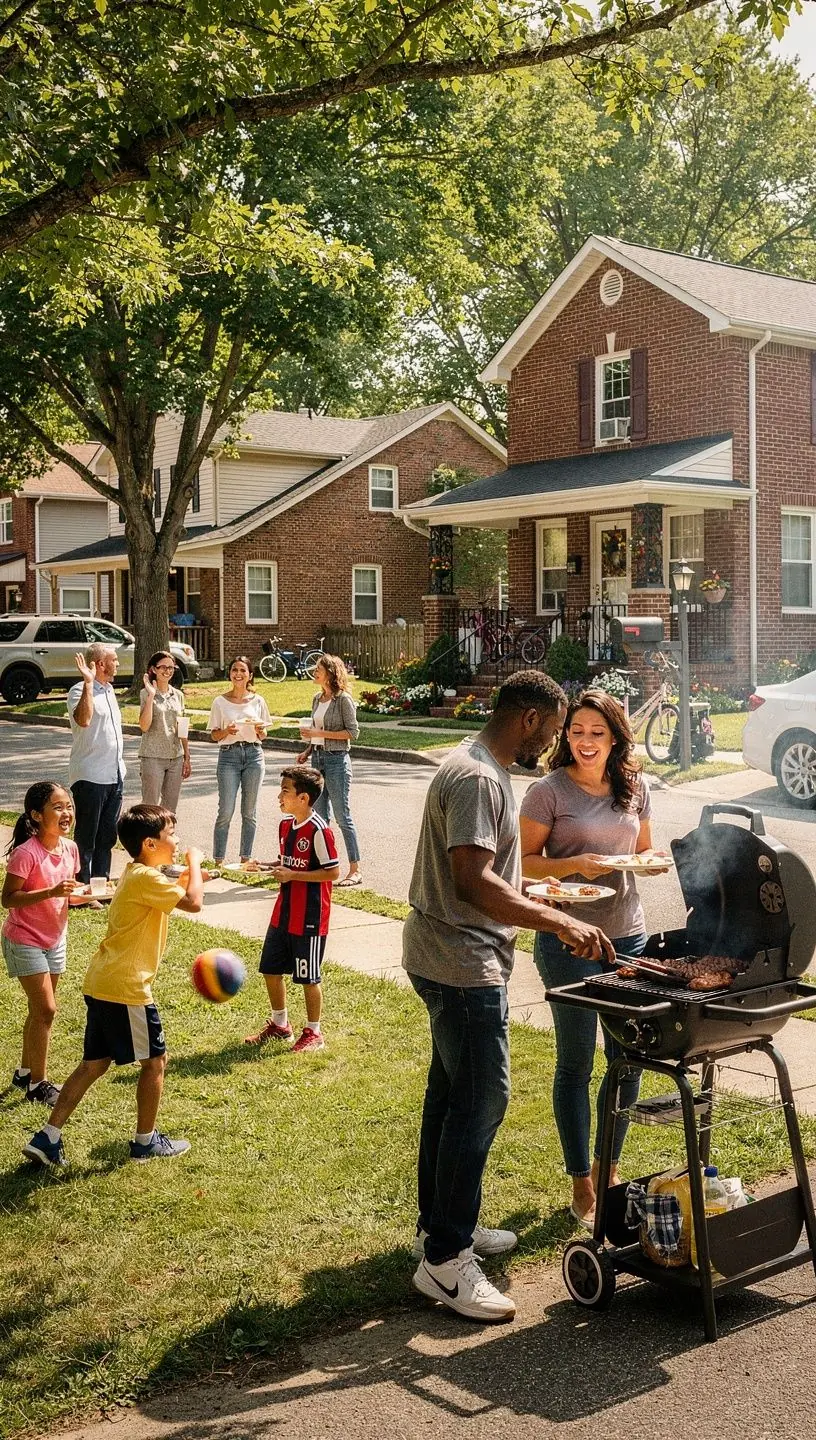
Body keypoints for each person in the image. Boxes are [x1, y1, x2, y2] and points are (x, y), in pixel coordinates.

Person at [404, 670, 614, 1323]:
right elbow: (472, 881)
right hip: (461, 964)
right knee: (482, 1100)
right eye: (553, 728)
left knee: (448, 1096)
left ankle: (440, 1229)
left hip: (446, 955)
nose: (553, 740)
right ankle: (445, 1263)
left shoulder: (475, 765)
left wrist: (543, 899)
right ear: (529, 717)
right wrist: (560, 921)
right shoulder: (473, 778)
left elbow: (492, 875)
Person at [519, 688, 664, 1229]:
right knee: (576, 1064)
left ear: (615, 738)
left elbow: (645, 848)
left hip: (628, 935)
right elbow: (526, 864)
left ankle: (608, 1168)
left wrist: (646, 862)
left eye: (596, 733)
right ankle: (581, 1181)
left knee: (627, 1061)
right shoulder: (546, 792)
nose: (585, 742)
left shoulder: (635, 787)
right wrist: (578, 863)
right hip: (569, 939)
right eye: (577, 731)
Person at [23, 804, 203, 1169]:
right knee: (155, 1062)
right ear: (151, 844)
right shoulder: (146, 879)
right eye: (172, 833)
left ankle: (48, 1137)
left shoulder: (137, 873)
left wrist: (187, 877)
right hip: (127, 988)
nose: (178, 839)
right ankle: (145, 1143)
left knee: (94, 1064)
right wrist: (195, 863)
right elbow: (193, 903)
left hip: (103, 981)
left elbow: (173, 889)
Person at [245, 766, 339, 1053]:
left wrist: (293, 876)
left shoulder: (319, 831)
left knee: (308, 977)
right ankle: (280, 1024)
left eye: (285, 791)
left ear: (304, 798)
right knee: (270, 968)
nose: (279, 796)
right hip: (283, 912)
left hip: (309, 916)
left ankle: (314, 1032)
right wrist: (266, 866)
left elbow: (332, 873)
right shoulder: (286, 825)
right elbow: (287, 862)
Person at [2, 782, 81, 1106]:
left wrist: (83, 896)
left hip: (54, 938)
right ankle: (38, 1084)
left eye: (69, 806)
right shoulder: (26, 853)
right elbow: (8, 899)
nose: (67, 813)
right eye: (58, 807)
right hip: (24, 939)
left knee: (39, 1010)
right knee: (47, 1009)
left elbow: (70, 892)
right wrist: (50, 892)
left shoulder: (70, 849)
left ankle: (24, 1072)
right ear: (36, 815)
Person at [297, 654, 362, 887]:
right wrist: (307, 750)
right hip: (318, 761)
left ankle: (355, 869)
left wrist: (319, 735)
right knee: (320, 818)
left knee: (343, 817)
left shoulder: (343, 700)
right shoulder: (317, 698)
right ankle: (324, 867)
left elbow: (352, 733)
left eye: (318, 669)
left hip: (337, 761)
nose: (314, 672)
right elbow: (317, 730)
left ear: (330, 673)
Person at [67, 644, 126, 884]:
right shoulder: (79, 690)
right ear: (100, 664)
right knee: (86, 837)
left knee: (107, 837)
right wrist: (89, 684)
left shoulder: (111, 690)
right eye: (114, 659)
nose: (118, 663)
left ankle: (100, 885)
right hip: (91, 776)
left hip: (114, 775)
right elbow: (83, 720)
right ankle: (82, 886)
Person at [207, 656, 272, 867]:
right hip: (228, 756)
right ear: (230, 674)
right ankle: (219, 860)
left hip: (254, 755)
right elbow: (214, 735)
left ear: (250, 675)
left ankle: (246, 858)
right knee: (225, 810)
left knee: (250, 811)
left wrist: (261, 731)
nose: (238, 674)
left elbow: (263, 735)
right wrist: (227, 730)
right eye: (234, 670)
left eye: (243, 670)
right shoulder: (220, 701)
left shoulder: (258, 700)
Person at [138, 651, 191, 812]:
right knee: (150, 807)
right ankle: (147, 837)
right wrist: (151, 696)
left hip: (176, 757)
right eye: (163, 667)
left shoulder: (178, 695)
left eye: (171, 667)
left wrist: (187, 756)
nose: (167, 671)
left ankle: (166, 837)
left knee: (170, 809)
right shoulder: (145, 693)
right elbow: (144, 726)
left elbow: (182, 727)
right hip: (153, 756)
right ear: (154, 669)